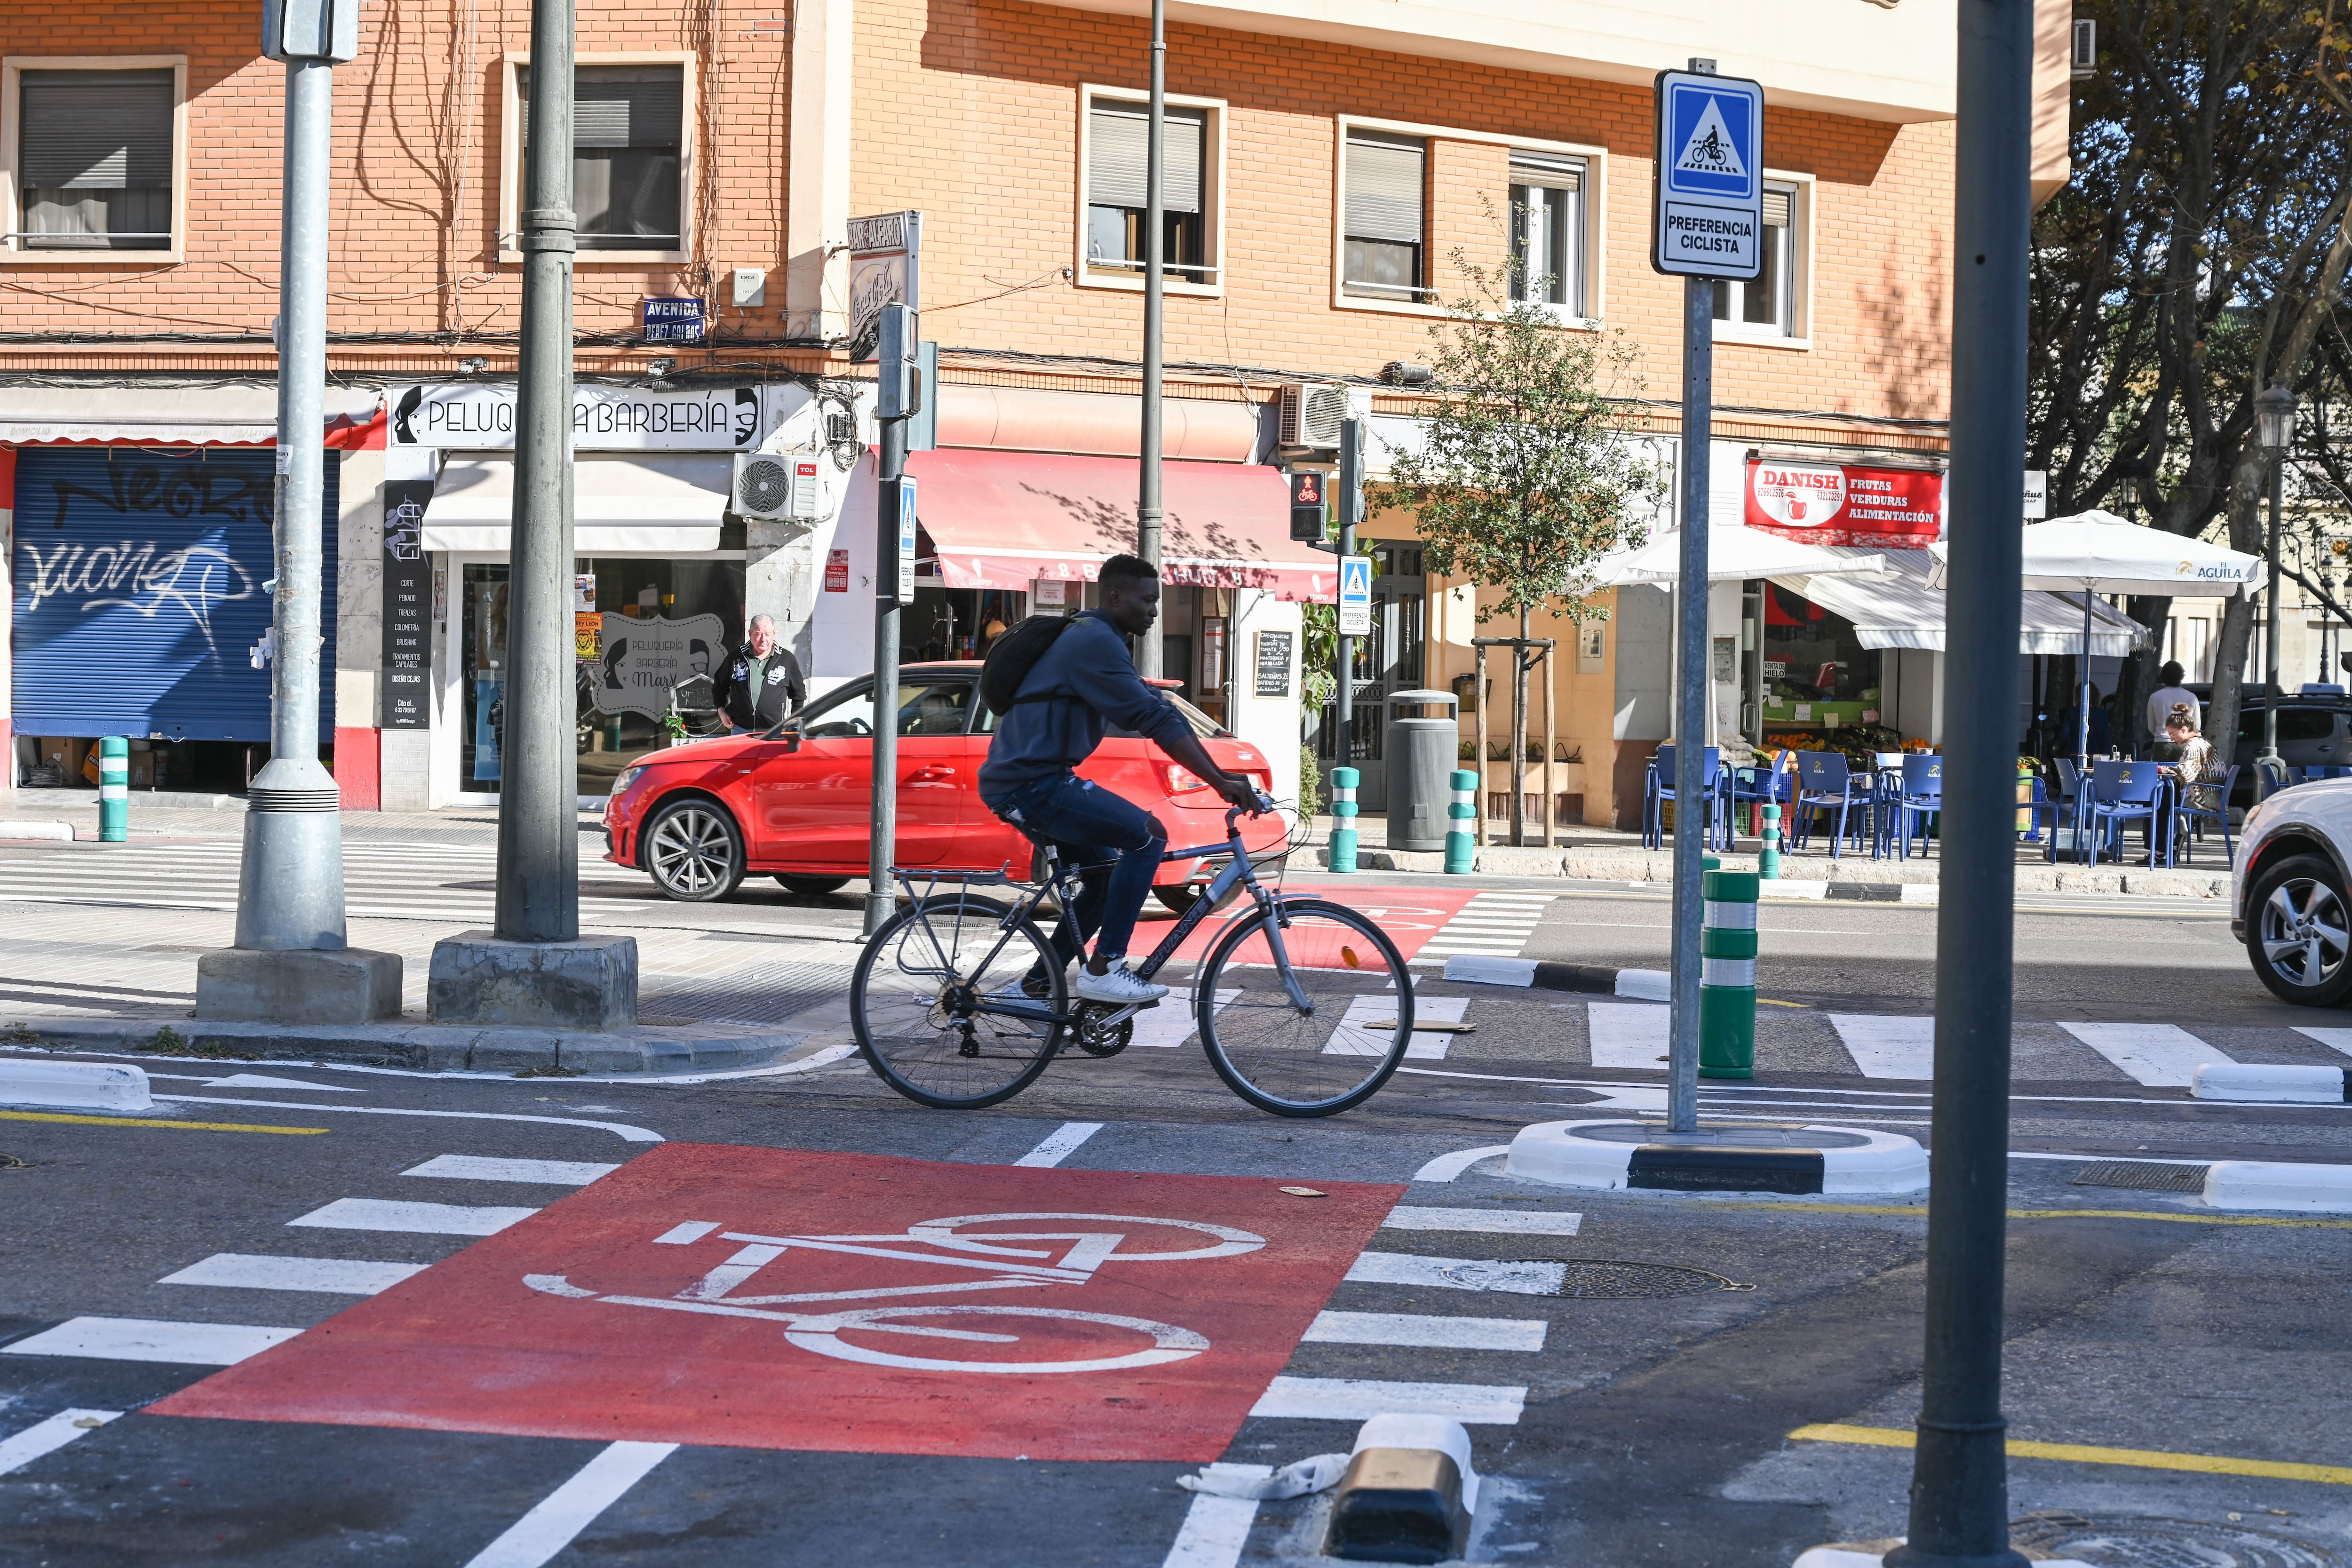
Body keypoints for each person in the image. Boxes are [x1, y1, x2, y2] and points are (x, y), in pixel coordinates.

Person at [977, 554, 1261, 1005]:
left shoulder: (1096, 638)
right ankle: (1106, 966)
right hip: (1030, 783)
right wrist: (1219, 779)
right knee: (1148, 836)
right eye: (1146, 600)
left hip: (1032, 779)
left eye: (1156, 601)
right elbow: (1150, 718)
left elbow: (1155, 704)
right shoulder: (1093, 641)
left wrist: (1220, 771)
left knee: (1104, 877)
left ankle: (1033, 988)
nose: (1153, 610)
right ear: (1114, 595)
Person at [713, 613, 805, 733]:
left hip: (774, 732)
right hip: (740, 730)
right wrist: (722, 712)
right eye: (758, 634)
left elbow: (799, 694)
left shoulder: (786, 659)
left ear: (774, 634)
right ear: (750, 633)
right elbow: (719, 686)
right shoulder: (736, 657)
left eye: (767, 634)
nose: (763, 639)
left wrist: (794, 723)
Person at [2144, 661, 2200, 740]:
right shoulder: (2192, 697)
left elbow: (2151, 727)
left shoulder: (2155, 697)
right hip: (2185, 742)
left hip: (2162, 741)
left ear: (2163, 677)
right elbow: (2197, 727)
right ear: (2181, 677)